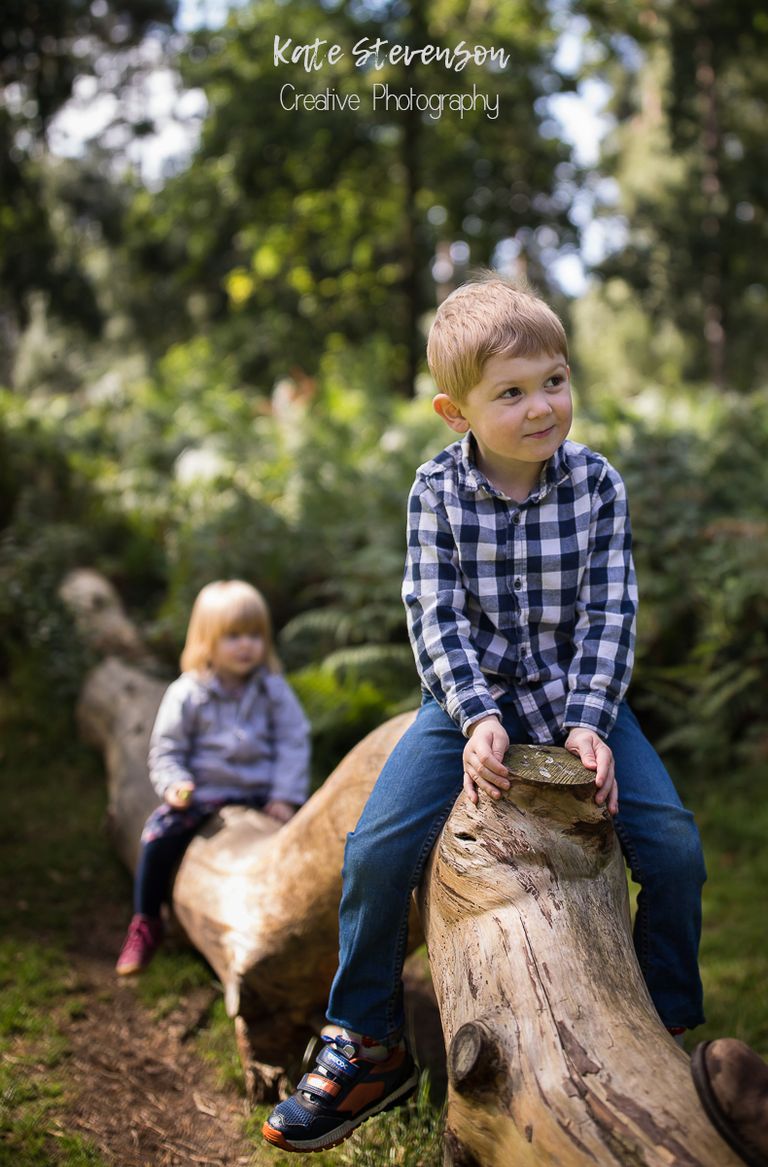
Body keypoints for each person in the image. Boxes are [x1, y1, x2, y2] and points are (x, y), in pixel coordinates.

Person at [262, 274, 706, 1154]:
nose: (543, 406)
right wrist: (474, 717)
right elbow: (434, 614)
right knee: (376, 849)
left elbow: (611, 613)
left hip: (581, 699)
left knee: (678, 849)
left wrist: (589, 720)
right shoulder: (435, 494)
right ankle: (366, 1039)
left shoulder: (596, 486)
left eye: (555, 379)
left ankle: (659, 1027)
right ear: (455, 410)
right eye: (512, 392)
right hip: (468, 705)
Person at [116, 579, 310, 975]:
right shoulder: (188, 693)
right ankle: (147, 921)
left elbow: (294, 741)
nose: (246, 646)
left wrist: (285, 795)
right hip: (204, 795)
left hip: (260, 794)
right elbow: (167, 748)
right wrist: (174, 785)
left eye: (254, 636)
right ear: (207, 641)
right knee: (155, 839)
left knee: (307, 842)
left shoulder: (272, 689)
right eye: (233, 637)